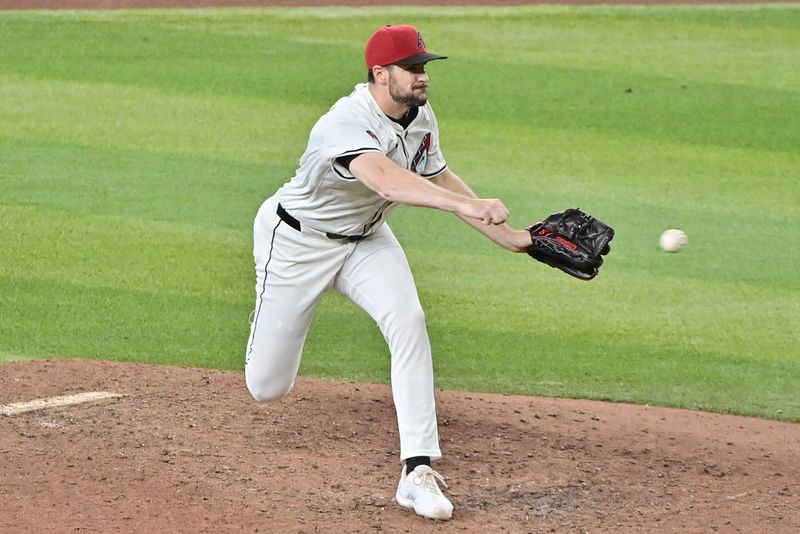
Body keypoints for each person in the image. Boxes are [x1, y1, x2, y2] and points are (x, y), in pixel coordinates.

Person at [245, 24, 533, 521]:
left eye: (424, 67)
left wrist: (512, 238)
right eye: (412, 68)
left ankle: (416, 472)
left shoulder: (420, 116)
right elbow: (389, 181)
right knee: (267, 387)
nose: (422, 77)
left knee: (409, 321)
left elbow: (436, 173)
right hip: (296, 242)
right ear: (380, 73)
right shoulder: (343, 122)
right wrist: (472, 204)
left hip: (367, 240)